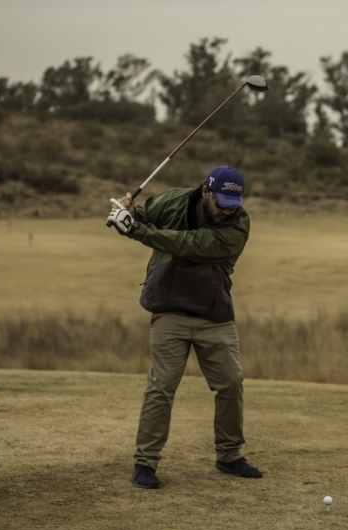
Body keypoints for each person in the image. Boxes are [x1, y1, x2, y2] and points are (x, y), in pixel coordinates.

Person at [107, 165, 262, 489]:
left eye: (233, 205)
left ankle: (229, 455)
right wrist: (126, 212)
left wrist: (134, 230)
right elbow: (142, 217)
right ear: (205, 192)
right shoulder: (173, 202)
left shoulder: (238, 226)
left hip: (213, 314)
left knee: (231, 383)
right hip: (169, 309)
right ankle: (145, 462)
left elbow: (190, 244)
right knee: (161, 386)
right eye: (221, 204)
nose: (227, 211)